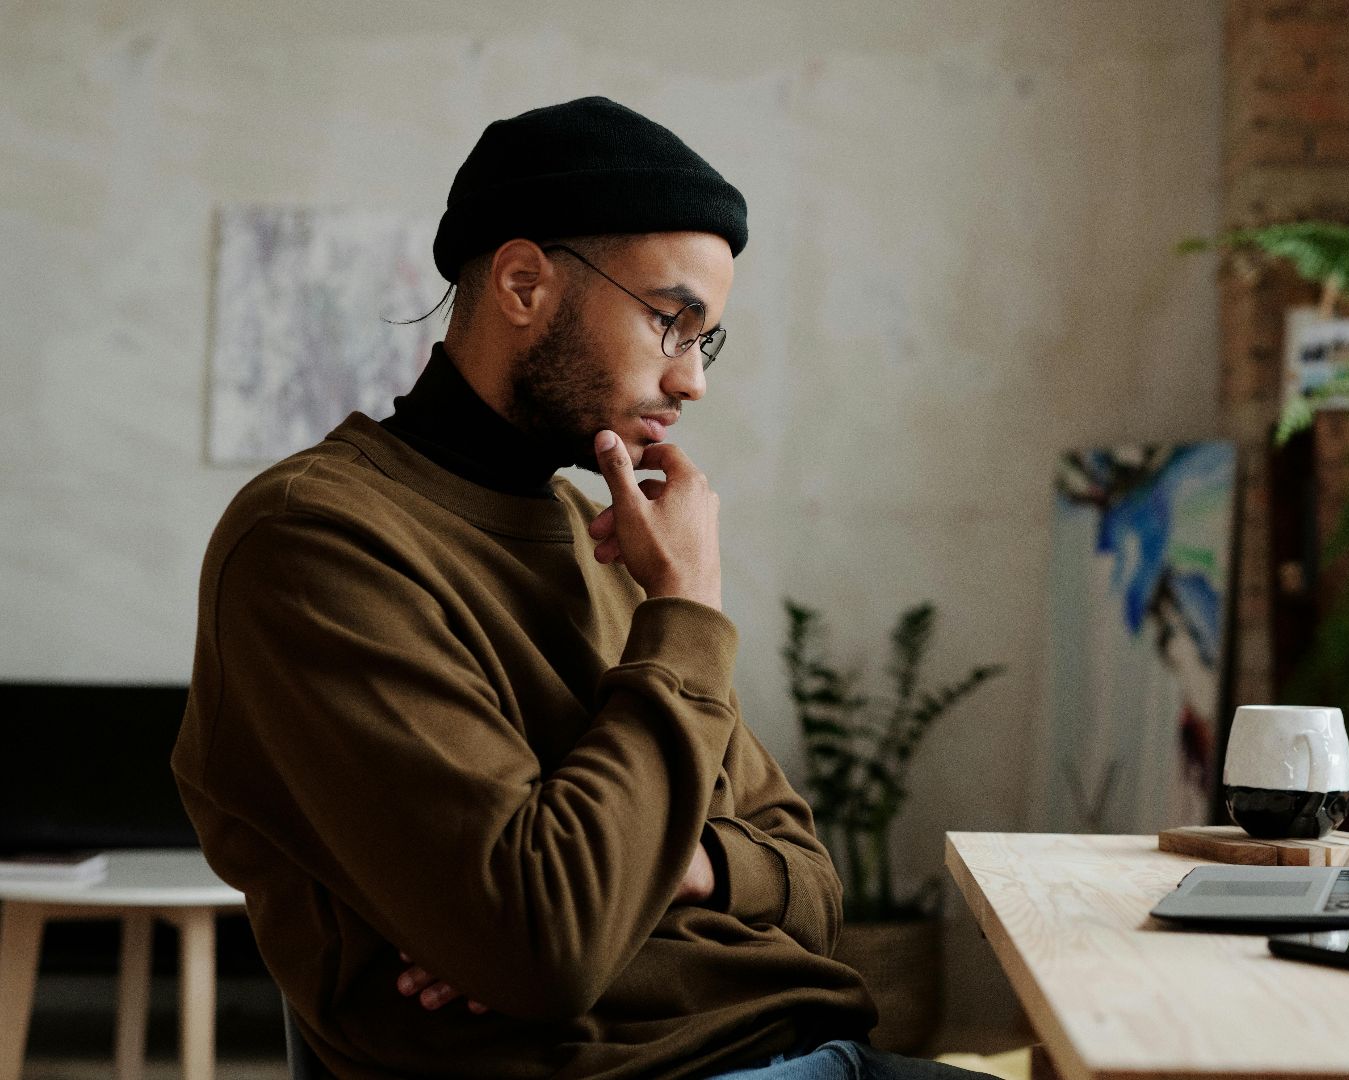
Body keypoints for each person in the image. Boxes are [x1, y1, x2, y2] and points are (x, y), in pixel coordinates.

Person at [173, 96, 990, 1080]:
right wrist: (684, 612)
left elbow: (813, 885)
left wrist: (675, 868)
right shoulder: (314, 542)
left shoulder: (597, 537)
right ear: (523, 282)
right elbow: (545, 940)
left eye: (706, 340)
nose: (693, 382)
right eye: (671, 323)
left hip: (809, 1047)